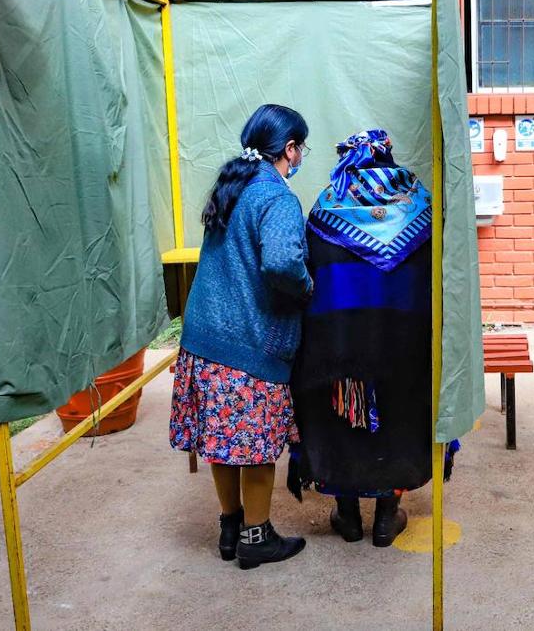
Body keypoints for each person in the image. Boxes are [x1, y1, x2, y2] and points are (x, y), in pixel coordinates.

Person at [288, 129, 449, 548]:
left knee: (340, 420)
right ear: (389, 159)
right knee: (399, 418)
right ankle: (385, 517)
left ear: (348, 163)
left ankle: (347, 515)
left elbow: (310, 275)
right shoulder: (422, 207)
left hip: (336, 348)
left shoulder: (325, 208)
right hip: (405, 345)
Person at [169, 103, 313, 569]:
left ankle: (230, 526)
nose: (301, 156)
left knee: (223, 440)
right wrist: (308, 287)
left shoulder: (232, 186)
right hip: (247, 345)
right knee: (255, 447)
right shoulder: (277, 198)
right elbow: (283, 264)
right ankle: (257, 538)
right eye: (300, 148)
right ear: (289, 149)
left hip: (204, 337)